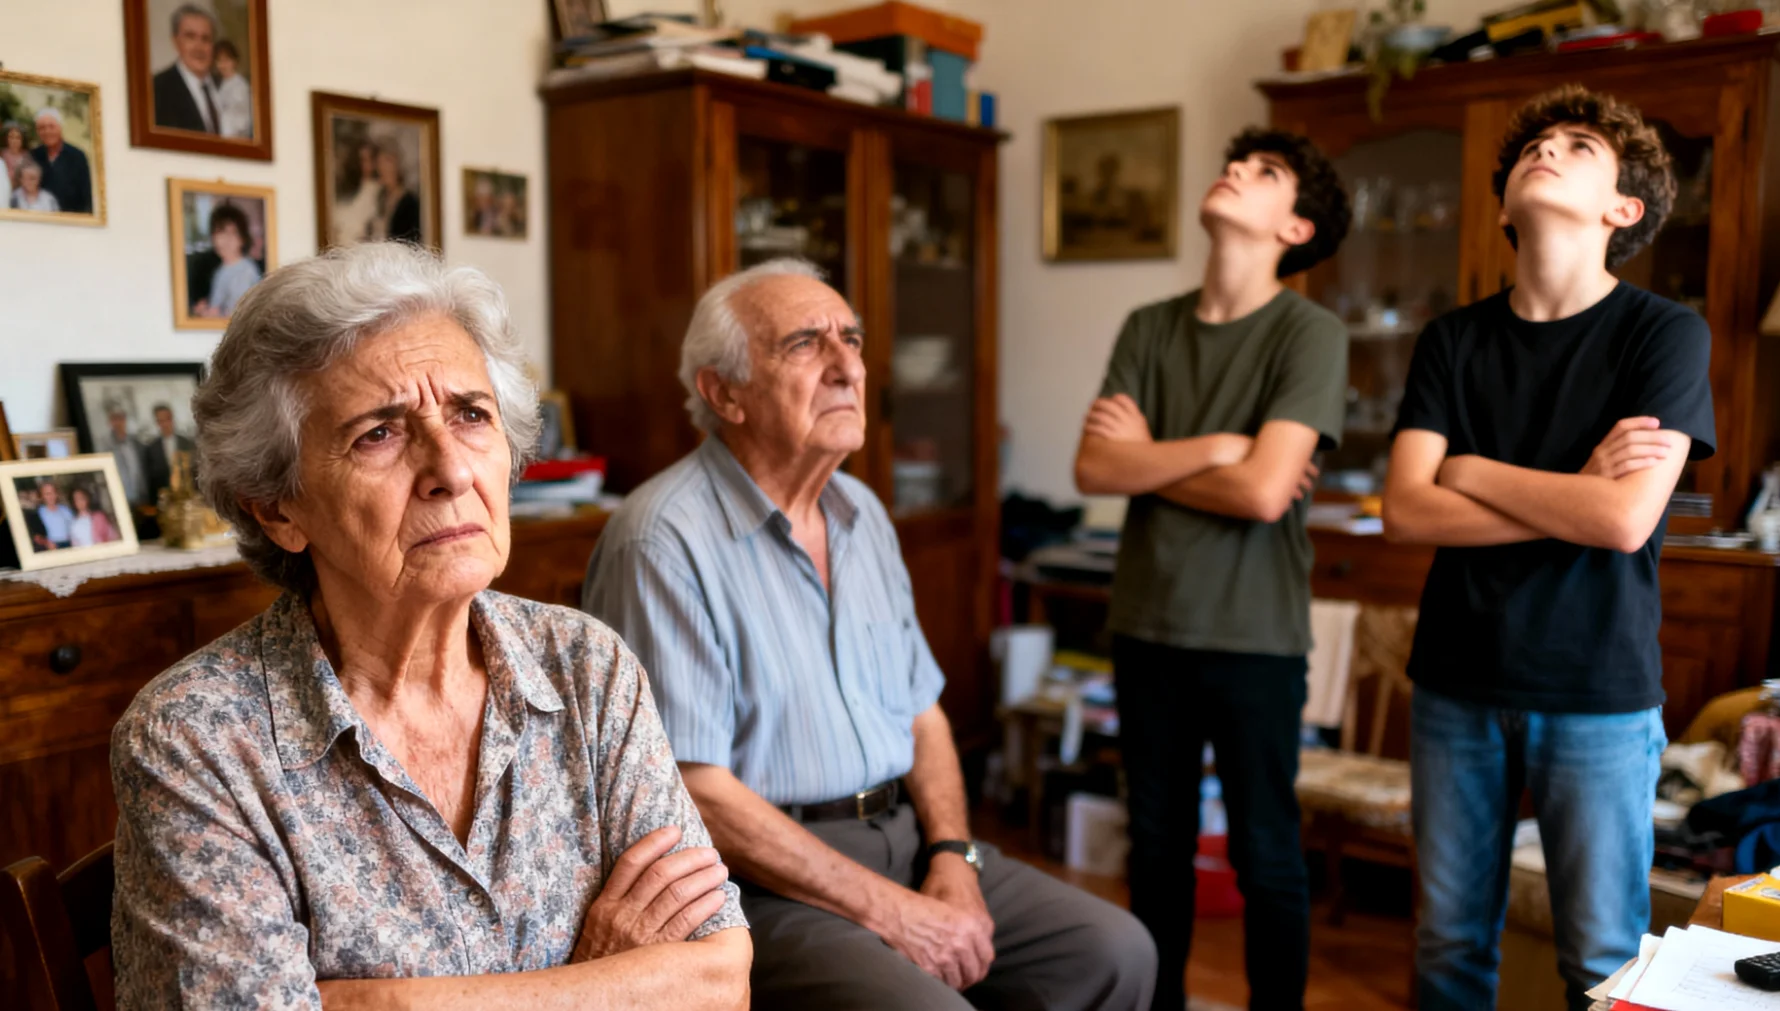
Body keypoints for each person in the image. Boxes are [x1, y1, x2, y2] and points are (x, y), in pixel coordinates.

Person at [110, 243, 752, 1009]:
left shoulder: (585, 666)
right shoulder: (197, 738)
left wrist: (378, 1002)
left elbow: (719, 978)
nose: (451, 468)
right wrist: (604, 975)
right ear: (278, 508)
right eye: (378, 433)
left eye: (471, 414)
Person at [586, 259, 1156, 1011]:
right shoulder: (661, 538)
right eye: (804, 343)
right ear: (724, 393)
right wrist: (893, 911)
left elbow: (922, 714)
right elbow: (696, 790)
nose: (847, 366)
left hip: (906, 837)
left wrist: (953, 855)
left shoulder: (862, 512)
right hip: (759, 885)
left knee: (1115, 952)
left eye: (850, 339)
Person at [1381, 85, 1713, 1011]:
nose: (1546, 149)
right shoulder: (1451, 340)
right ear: (1502, 207)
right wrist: (1575, 487)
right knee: (1447, 944)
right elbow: (1404, 510)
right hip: (1454, 680)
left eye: (1578, 146)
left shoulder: (1666, 334)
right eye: (1535, 144)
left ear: (1624, 210)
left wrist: (1469, 470)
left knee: (1602, 961)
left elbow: (1623, 520)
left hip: (1597, 690)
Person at [1072, 127, 1351, 1011]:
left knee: (1267, 854)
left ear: (1296, 229)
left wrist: (1155, 456)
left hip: (1255, 636)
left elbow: (1267, 493)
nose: (1235, 171)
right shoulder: (1149, 326)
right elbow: (1095, 468)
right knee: (1156, 850)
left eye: (1265, 172)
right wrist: (1224, 447)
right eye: (1238, 161)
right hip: (1146, 625)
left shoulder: (1311, 333)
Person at [152, 3, 221, 134]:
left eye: (206, 39)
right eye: (190, 37)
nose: (199, 47)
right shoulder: (157, 89)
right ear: (176, 41)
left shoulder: (224, 86)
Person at [195, 202, 262, 317]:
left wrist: (211, 313)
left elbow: (237, 313)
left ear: (242, 238)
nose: (225, 240)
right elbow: (217, 305)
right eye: (220, 233)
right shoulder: (220, 270)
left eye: (232, 234)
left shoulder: (245, 270)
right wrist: (204, 309)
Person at [28, 107, 90, 215]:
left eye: (51, 126)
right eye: (42, 128)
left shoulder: (77, 156)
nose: (47, 131)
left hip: (70, 218)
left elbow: (86, 196)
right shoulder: (33, 156)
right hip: (39, 218)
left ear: (60, 128)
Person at [141, 404, 197, 499]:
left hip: (189, 496)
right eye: (161, 421)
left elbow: (196, 471)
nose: (165, 424)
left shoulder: (187, 444)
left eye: (167, 419)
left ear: (172, 419)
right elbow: (151, 479)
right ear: (157, 423)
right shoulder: (151, 449)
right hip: (165, 498)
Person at [374, 137, 423, 244]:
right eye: (379, 162)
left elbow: (412, 242)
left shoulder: (410, 202)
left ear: (398, 165)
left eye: (388, 161)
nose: (382, 168)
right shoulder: (380, 198)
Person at [100, 406, 150, 505]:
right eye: (114, 419)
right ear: (110, 422)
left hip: (141, 497)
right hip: (119, 498)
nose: (118, 423)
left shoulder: (135, 442)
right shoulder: (104, 446)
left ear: (125, 420)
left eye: (120, 418)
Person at [212, 38, 252, 139]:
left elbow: (243, 121)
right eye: (219, 61)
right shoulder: (220, 84)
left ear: (234, 61)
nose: (222, 65)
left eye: (226, 60)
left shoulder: (241, 86)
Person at [34, 481, 76, 550]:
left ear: (57, 494)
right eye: (47, 494)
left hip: (69, 543)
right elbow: (36, 537)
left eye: (53, 492)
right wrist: (46, 542)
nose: (51, 496)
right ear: (41, 496)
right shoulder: (38, 513)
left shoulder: (65, 510)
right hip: (52, 546)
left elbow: (74, 527)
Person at [2, 121, 28, 190]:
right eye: (11, 137)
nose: (14, 140)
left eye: (18, 137)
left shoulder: (27, 156)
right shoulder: (2, 154)